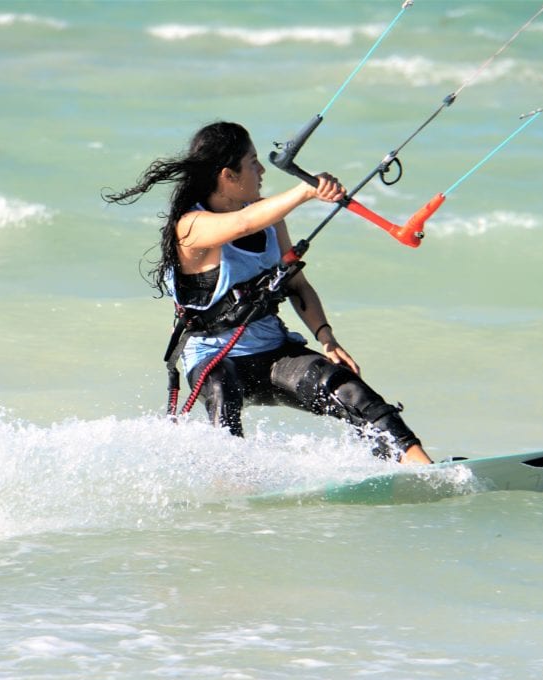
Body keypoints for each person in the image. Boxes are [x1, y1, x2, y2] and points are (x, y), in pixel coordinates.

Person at [105, 121, 431, 465]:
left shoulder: (270, 219)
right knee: (221, 387)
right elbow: (243, 224)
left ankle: (423, 469)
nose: (261, 170)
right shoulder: (190, 226)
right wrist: (306, 191)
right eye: (253, 162)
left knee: (348, 390)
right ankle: (230, 483)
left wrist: (327, 339)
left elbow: (296, 284)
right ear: (228, 175)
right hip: (213, 360)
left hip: (274, 356)